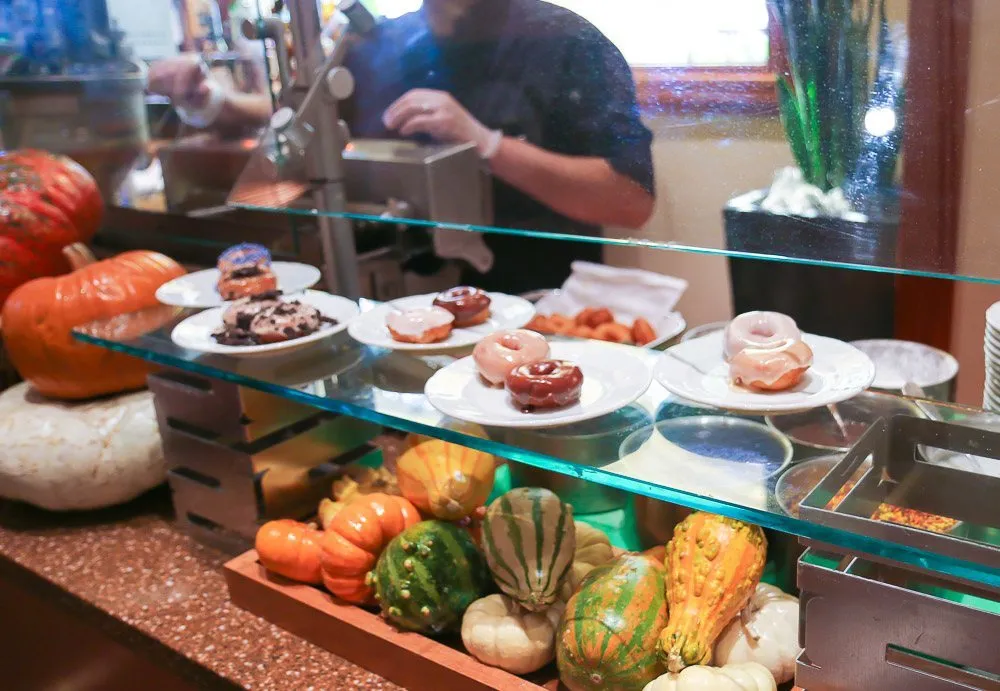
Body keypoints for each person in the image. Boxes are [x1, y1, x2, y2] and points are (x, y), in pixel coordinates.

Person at [149, 0, 655, 294]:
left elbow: (630, 201)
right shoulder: (381, 42)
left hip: (534, 306)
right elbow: (304, 117)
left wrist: (488, 144)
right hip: (397, 299)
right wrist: (210, 101)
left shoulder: (567, 43)